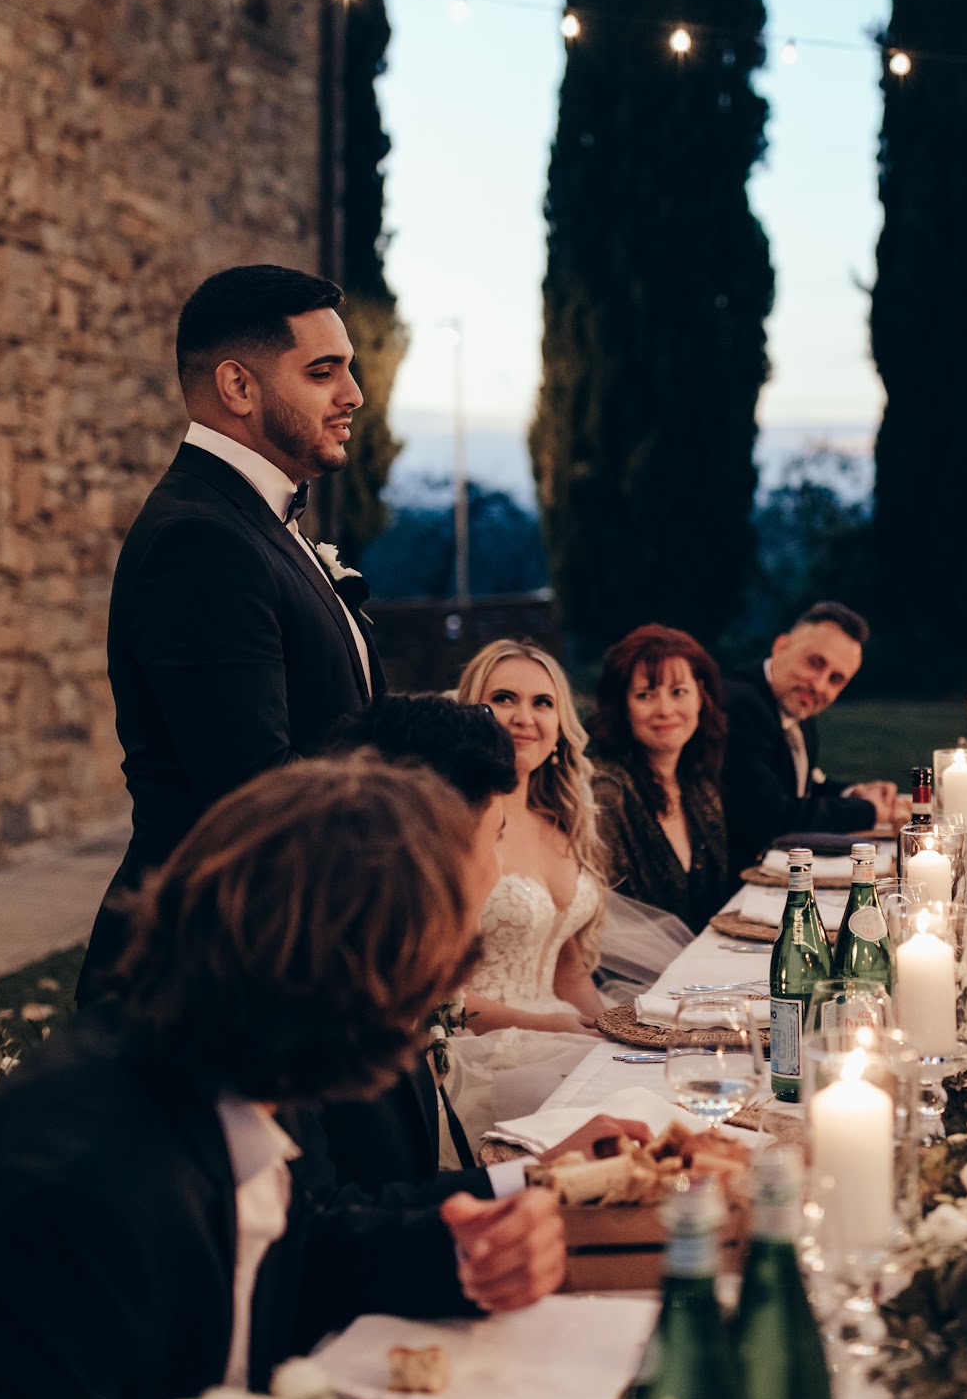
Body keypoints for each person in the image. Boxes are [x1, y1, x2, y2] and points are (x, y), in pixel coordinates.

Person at [0, 757, 563, 1399]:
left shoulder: (219, 1062)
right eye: (425, 975)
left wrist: (462, 1255)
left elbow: (289, 1252)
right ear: (350, 982)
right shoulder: (74, 1196)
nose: (435, 1003)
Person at [79, 265, 383, 1000]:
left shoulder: (252, 520)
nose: (354, 395)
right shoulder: (200, 540)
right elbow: (257, 797)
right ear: (238, 388)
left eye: (349, 369)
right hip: (218, 976)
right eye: (323, 372)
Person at [311, 697, 648, 1193]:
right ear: (434, 843)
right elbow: (334, 1229)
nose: (497, 870)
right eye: (496, 837)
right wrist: (533, 1180)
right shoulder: (325, 1007)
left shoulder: (394, 977)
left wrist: (531, 1175)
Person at [456, 641, 610, 1034]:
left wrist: (616, 1035)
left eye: (542, 703)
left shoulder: (563, 823)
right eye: (504, 699)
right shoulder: (457, 828)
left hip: (559, 1024)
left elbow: (569, 973)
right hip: (480, 1047)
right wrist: (546, 1027)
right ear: (470, 710)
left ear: (560, 726)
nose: (524, 717)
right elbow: (436, 995)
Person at [719, 603, 901, 875]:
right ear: (781, 646)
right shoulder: (740, 705)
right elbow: (769, 816)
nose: (819, 685)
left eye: (836, 679)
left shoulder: (791, 704)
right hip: (734, 879)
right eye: (815, 663)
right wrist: (867, 811)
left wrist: (854, 793)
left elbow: (798, 788)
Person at [592, 624, 732, 933]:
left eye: (678, 692)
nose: (665, 710)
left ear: (700, 696)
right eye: (645, 695)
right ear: (622, 707)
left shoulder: (698, 785)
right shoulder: (604, 793)